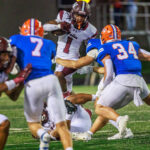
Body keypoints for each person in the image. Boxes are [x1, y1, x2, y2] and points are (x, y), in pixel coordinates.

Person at [56, 24, 150, 140]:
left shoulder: (104, 47)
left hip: (121, 81)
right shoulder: (131, 44)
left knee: (100, 106)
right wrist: (92, 69)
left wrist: (57, 59)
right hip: (139, 80)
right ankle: (89, 134)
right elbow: (147, 56)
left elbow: (108, 72)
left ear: (104, 37)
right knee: (107, 109)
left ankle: (120, 121)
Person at [9, 18, 73, 150]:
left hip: (32, 83)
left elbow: (11, 54)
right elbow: (46, 58)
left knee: (33, 124)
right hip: (51, 80)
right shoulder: (49, 43)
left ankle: (43, 135)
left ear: (23, 30)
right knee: (61, 125)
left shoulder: (16, 39)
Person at [43, 1, 97, 97]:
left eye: (83, 16)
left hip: (73, 60)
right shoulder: (64, 16)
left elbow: (91, 48)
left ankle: (66, 97)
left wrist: (83, 63)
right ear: (72, 13)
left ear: (87, 17)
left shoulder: (91, 30)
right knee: (63, 88)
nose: (80, 18)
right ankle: (77, 106)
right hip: (59, 58)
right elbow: (45, 27)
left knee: (58, 76)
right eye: (77, 15)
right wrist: (59, 26)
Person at [0, 37, 32, 150]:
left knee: (4, 123)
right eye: (4, 54)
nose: (7, 58)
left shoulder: (2, 73)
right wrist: (16, 80)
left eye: (8, 55)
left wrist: (23, 80)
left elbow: (12, 96)